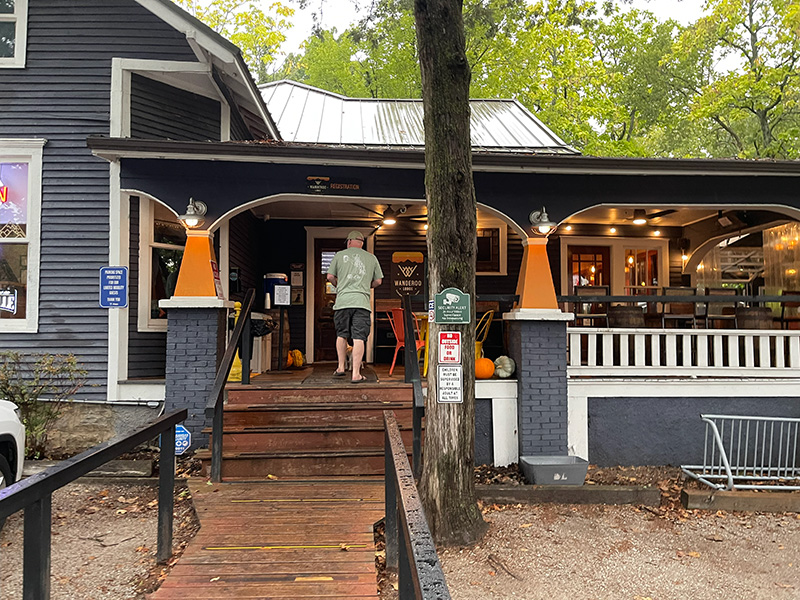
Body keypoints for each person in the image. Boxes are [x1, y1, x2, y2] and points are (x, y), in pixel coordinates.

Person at [326, 230, 383, 382]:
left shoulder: (339, 255)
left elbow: (330, 276)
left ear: (349, 242)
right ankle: (356, 374)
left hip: (343, 301)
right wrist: (365, 285)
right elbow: (378, 281)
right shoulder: (371, 257)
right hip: (362, 303)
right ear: (362, 243)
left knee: (341, 334)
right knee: (359, 338)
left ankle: (340, 367)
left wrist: (339, 285)